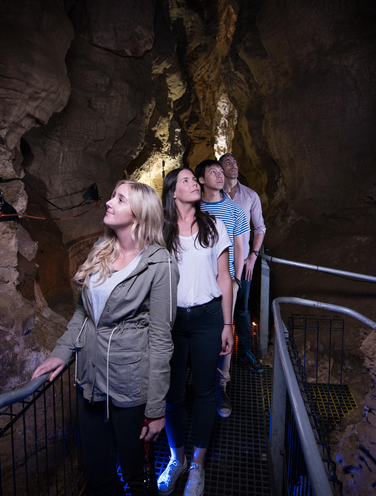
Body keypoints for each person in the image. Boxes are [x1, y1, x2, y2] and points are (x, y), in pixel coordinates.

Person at [32, 180, 178, 496]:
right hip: (90, 380)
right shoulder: (101, 248)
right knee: (98, 475)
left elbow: (161, 339)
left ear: (139, 214)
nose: (109, 202)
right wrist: (62, 352)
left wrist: (155, 408)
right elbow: (84, 313)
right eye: (113, 196)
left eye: (119, 199)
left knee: (136, 475)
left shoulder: (160, 263)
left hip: (129, 386)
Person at [158, 168, 234, 496]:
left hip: (207, 318)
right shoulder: (160, 231)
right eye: (187, 180)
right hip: (171, 323)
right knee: (172, 396)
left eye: (194, 179)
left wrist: (228, 324)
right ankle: (177, 460)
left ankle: (198, 465)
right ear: (173, 192)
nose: (194, 184)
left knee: (204, 392)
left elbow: (224, 278)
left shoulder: (214, 225)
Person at [194, 158, 249, 418]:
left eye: (220, 170)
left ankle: (220, 386)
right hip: (197, 280)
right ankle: (199, 384)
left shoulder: (236, 210)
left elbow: (240, 246)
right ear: (201, 180)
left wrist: (236, 279)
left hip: (225, 280)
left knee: (226, 331)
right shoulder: (193, 209)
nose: (219, 174)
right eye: (212, 171)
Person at [219, 152, 266, 373]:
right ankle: (214, 354)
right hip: (217, 264)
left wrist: (252, 256)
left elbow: (260, 228)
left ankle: (245, 352)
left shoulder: (250, 196)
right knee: (216, 308)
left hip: (242, 264)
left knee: (242, 309)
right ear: (220, 169)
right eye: (228, 162)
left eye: (235, 161)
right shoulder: (214, 196)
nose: (233, 165)